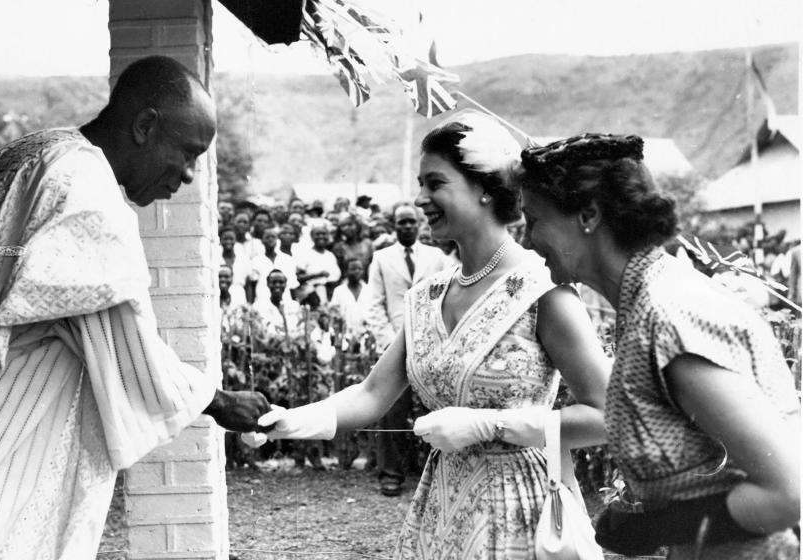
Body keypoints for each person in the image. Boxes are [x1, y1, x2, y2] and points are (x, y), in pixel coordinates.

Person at [0, 56, 271, 559]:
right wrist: (220, 402)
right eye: (189, 153)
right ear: (144, 126)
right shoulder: (88, 195)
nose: (189, 175)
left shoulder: (40, 153)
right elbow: (130, 349)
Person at [252, 111, 610, 559]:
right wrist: (293, 421)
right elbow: (373, 392)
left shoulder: (544, 290)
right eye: (420, 184)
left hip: (520, 514)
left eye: (435, 183)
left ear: (483, 189)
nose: (420, 199)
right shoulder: (427, 294)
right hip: (441, 511)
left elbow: (606, 415)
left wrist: (491, 425)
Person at [518, 133, 800, 559]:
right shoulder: (648, 298)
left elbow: (787, 492)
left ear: (588, 215)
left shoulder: (670, 315)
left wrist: (651, 526)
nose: (525, 240)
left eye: (533, 220)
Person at [362, 202, 450, 497]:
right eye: (401, 223)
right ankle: (391, 474)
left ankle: (441, 473)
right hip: (394, 344)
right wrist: (389, 340)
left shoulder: (436, 257)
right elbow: (373, 303)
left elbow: (449, 298)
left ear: (420, 224)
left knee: (436, 406)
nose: (407, 227)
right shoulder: (381, 259)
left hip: (431, 344)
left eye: (412, 222)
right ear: (394, 226)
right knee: (391, 408)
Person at [295, 225, 341, 304]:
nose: (321, 236)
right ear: (312, 237)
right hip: (312, 294)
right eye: (317, 234)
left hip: (330, 293)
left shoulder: (330, 255)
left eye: (324, 234)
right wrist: (317, 275)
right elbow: (298, 278)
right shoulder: (305, 254)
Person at [251, 227, 299, 303]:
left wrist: (295, 301)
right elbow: (253, 283)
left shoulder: (288, 259)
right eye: (267, 237)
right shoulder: (256, 260)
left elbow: (292, 284)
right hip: (262, 296)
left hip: (285, 296)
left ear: (277, 240)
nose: (270, 239)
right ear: (262, 241)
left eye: (273, 237)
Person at [329, 256, 368, 339]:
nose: (357, 271)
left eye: (359, 269)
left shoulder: (369, 289)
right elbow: (334, 314)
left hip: (366, 335)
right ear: (346, 272)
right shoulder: (339, 291)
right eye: (353, 269)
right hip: (345, 337)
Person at [333, 212, 374, 276]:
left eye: (350, 224)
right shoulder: (339, 247)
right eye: (343, 226)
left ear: (357, 226)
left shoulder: (367, 243)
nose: (347, 228)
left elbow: (373, 264)